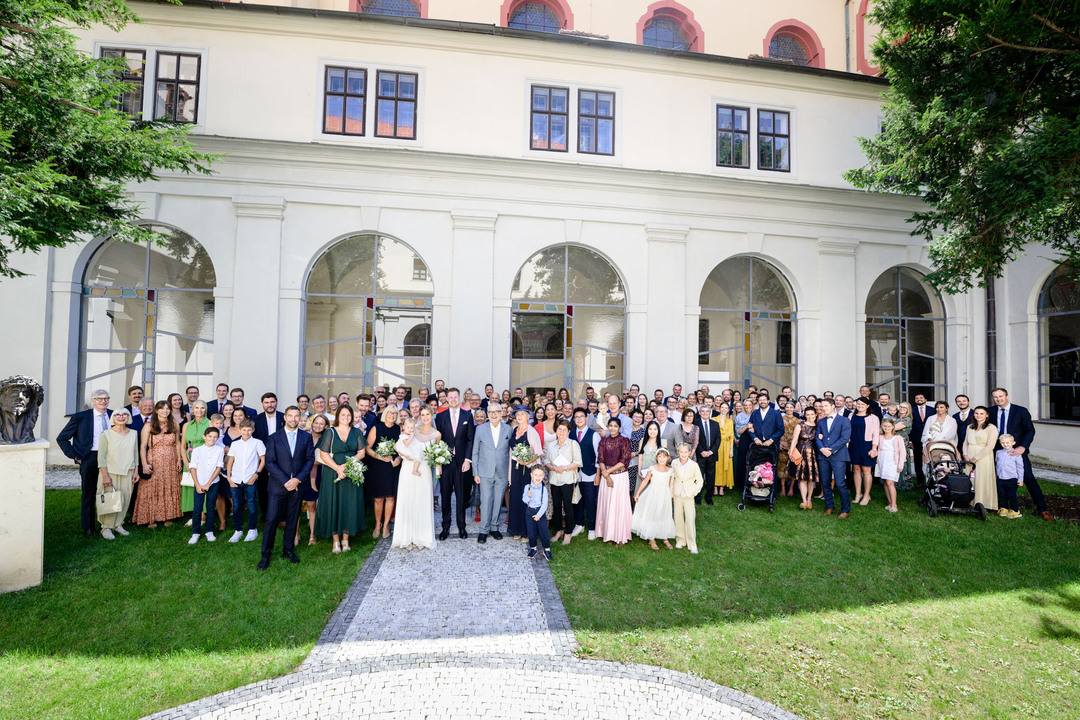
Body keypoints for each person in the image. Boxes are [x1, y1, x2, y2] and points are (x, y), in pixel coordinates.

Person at [259, 406, 315, 569]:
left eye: (296, 416)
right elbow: (270, 462)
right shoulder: (274, 437)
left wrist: (297, 479)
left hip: (297, 486)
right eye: (290, 416)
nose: (293, 419)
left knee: (292, 519)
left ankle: (288, 549)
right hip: (278, 486)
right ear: (285, 417)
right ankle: (265, 555)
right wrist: (286, 481)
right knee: (271, 520)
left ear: (300, 418)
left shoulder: (306, 437)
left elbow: (309, 460)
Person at [989, 387, 1052, 521]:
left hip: (1016, 451)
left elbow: (1030, 430)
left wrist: (1022, 447)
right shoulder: (991, 412)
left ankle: (1043, 509)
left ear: (1007, 396)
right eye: (995, 397)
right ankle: (999, 506)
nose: (998, 399)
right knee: (996, 478)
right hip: (997, 451)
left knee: (1028, 477)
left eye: (1001, 396)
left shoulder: (1020, 411)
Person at [57, 388, 112, 537]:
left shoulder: (114, 415)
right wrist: (75, 456)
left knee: (110, 490)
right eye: (99, 399)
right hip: (89, 457)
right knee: (89, 493)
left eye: (106, 398)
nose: (103, 401)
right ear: (93, 401)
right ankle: (88, 527)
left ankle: (109, 523)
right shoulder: (80, 417)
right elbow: (62, 438)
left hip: (111, 458)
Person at [315, 405, 367, 553]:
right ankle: (335, 540)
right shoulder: (329, 432)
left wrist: (347, 465)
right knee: (334, 502)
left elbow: (361, 453)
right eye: (343, 415)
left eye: (348, 415)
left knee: (349, 503)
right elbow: (324, 455)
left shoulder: (356, 432)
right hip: (333, 472)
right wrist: (338, 468)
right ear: (338, 416)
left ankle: (346, 538)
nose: (346, 417)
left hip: (352, 473)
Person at [134, 400, 184, 528]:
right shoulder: (148, 425)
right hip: (154, 460)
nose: (165, 411)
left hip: (171, 460)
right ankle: (151, 517)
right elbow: (143, 446)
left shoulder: (174, 425)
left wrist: (179, 460)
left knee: (169, 487)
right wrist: (144, 464)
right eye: (162, 408)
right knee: (151, 488)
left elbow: (178, 443)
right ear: (156, 410)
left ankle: (168, 515)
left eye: (167, 408)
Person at [433, 388, 474, 540]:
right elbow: (437, 441)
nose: (453, 399)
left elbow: (470, 440)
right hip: (445, 462)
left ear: (459, 398)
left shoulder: (467, 416)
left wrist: (468, 460)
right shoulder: (440, 417)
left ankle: (462, 527)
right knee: (445, 495)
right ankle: (445, 527)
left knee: (461, 496)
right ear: (446, 399)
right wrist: (438, 462)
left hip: (462, 462)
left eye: (455, 397)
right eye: (450, 397)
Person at [389, 417, 436, 550]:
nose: (410, 429)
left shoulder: (426, 433)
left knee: (420, 501)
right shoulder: (406, 435)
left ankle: (421, 536)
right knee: (407, 501)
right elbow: (399, 446)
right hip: (407, 470)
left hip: (423, 469)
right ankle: (406, 536)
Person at [472, 402, 512, 544]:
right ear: (487, 414)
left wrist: (509, 475)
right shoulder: (480, 429)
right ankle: (483, 530)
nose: (494, 414)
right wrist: (475, 472)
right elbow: (475, 451)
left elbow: (510, 451)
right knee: (486, 501)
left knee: (497, 501)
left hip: (501, 471)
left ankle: (494, 527)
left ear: (501, 413)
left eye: (496, 412)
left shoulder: (508, 429)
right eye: (491, 412)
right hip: (484, 471)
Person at [95, 409, 138, 539]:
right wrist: (105, 475)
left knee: (124, 499)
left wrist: (136, 471)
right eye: (117, 415)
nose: (121, 417)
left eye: (125, 414)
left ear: (128, 417)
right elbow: (101, 457)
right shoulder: (106, 434)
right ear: (113, 418)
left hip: (128, 471)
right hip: (110, 472)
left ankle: (118, 524)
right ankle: (106, 527)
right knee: (110, 500)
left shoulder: (133, 433)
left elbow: (135, 454)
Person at [226, 419, 265, 543]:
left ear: (253, 430)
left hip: (250, 478)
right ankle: (238, 530)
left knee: (252, 504)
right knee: (236, 506)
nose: (246, 432)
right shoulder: (235, 444)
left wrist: (256, 475)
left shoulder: (258, 443)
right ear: (240, 430)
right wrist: (229, 477)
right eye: (244, 430)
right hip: (236, 478)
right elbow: (230, 461)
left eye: (249, 430)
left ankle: (252, 529)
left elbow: (263, 460)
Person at [366, 406, 402, 540]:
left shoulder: (399, 429)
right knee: (379, 498)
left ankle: (386, 525)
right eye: (390, 413)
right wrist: (379, 456)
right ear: (385, 414)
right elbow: (367, 448)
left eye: (395, 413)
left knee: (390, 497)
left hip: (393, 467)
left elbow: (403, 448)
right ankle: (377, 524)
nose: (392, 415)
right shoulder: (376, 428)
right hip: (379, 466)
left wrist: (399, 458)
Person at [508, 407, 543, 541]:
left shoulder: (532, 431)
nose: (520, 416)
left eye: (522, 414)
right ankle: (516, 529)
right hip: (515, 469)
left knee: (527, 499)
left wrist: (526, 461)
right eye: (517, 414)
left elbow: (538, 452)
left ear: (528, 417)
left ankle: (527, 532)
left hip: (527, 470)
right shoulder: (514, 430)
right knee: (516, 498)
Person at [595, 417, 632, 545]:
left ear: (620, 428)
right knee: (607, 504)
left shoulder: (625, 441)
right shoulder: (603, 441)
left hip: (620, 476)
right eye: (610, 425)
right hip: (607, 477)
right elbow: (600, 459)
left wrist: (607, 473)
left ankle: (620, 536)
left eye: (615, 426)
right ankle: (608, 534)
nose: (612, 428)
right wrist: (606, 475)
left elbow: (624, 461)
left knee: (618, 505)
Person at [631, 447, 676, 550]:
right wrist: (637, 493)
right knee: (653, 513)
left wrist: (671, 495)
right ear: (656, 457)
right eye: (659, 457)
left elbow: (671, 484)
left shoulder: (670, 471)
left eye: (664, 457)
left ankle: (665, 538)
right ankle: (651, 538)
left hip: (664, 494)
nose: (661, 459)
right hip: (653, 494)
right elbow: (645, 481)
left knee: (664, 514)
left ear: (668, 458)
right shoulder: (652, 468)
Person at [545, 420, 581, 545]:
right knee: (556, 506)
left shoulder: (573, 444)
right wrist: (553, 467)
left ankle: (568, 533)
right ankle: (559, 530)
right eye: (559, 429)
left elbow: (578, 462)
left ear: (568, 432)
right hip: (554, 479)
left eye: (564, 430)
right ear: (556, 430)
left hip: (567, 479)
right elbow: (546, 461)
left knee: (567, 507)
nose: (561, 432)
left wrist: (564, 468)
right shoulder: (551, 445)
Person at [188, 426, 225, 544]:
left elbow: (219, 467)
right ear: (204, 437)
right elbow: (193, 468)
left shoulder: (219, 450)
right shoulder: (197, 450)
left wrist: (209, 483)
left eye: (215, 437)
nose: (212, 439)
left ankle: (209, 531)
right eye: (210, 436)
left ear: (218, 438)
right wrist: (197, 484)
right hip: (199, 482)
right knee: (197, 509)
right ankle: (196, 533)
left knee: (210, 507)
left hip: (213, 483)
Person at [816, 398, 852, 518]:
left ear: (832, 406)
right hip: (823, 456)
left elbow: (844, 438)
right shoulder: (821, 421)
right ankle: (829, 506)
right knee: (825, 482)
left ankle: (845, 509)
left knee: (840, 483)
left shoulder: (844, 420)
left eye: (826, 406)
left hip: (838, 456)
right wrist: (822, 449)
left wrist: (830, 450)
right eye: (822, 406)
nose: (823, 408)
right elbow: (817, 437)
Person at [571, 407, 601, 538]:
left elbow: (599, 456)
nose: (579, 419)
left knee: (590, 501)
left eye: (581, 417)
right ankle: (579, 525)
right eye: (576, 417)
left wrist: (598, 474)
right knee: (577, 500)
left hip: (590, 473)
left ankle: (592, 528)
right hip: (575, 474)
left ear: (586, 418)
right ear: (574, 419)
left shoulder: (593, 434)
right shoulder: (571, 434)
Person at [962, 406, 999, 513]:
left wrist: (975, 458)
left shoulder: (991, 428)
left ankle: (983, 503)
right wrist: (965, 455)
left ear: (986, 415)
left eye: (981, 413)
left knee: (982, 479)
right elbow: (965, 443)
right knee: (970, 479)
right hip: (969, 455)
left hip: (983, 456)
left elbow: (990, 446)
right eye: (976, 413)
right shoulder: (970, 427)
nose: (978, 415)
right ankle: (969, 501)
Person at [254, 392, 284, 518]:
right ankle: (266, 516)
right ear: (262, 404)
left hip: (282, 458)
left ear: (276, 402)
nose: (269, 405)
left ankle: (281, 516)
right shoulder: (256, 420)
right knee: (263, 488)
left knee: (282, 486)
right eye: (266, 402)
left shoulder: (284, 417)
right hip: (263, 459)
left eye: (272, 402)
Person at [180, 399, 210, 527]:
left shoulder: (209, 423)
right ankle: (194, 514)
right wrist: (185, 461)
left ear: (206, 410)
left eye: (202, 408)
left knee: (202, 486)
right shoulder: (186, 425)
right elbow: (182, 445)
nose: (199, 410)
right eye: (196, 408)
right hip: (189, 459)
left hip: (204, 460)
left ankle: (203, 516)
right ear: (192, 410)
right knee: (191, 486)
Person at [671, 443, 703, 554]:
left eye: (685, 452)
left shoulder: (694, 465)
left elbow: (699, 480)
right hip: (677, 494)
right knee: (678, 517)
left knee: (690, 518)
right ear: (678, 452)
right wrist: (671, 492)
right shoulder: (674, 463)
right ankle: (680, 539)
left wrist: (694, 492)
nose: (683, 454)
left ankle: (692, 543)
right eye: (681, 452)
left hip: (689, 495)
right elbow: (672, 478)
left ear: (689, 453)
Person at [303, 414, 329, 545]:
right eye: (316, 423)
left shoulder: (326, 439)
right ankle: (295, 535)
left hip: (320, 473)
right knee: (297, 505)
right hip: (302, 473)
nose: (317, 425)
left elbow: (327, 458)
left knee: (312, 505)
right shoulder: (304, 437)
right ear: (312, 423)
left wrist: (313, 461)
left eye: (321, 423)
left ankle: (312, 536)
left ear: (326, 426)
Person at [850, 397, 880, 506]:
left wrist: (874, 448)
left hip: (867, 445)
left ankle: (867, 495)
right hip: (854, 445)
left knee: (866, 471)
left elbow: (876, 434)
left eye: (862, 404)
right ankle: (858, 494)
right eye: (858, 404)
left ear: (867, 406)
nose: (860, 406)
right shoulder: (851, 416)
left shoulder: (873, 418)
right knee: (856, 469)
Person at [789, 407, 820, 510]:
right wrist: (791, 453)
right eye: (808, 414)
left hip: (814, 454)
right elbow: (794, 440)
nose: (810, 416)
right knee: (802, 477)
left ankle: (809, 498)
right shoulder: (800, 426)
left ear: (815, 414)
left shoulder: (819, 426)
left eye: (812, 414)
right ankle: (804, 500)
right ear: (804, 415)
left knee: (811, 478)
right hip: (801, 452)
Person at [875, 418, 905, 512]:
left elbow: (902, 452)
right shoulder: (880, 437)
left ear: (893, 427)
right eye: (884, 426)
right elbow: (877, 449)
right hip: (882, 460)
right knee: (885, 482)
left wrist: (900, 465)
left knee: (890, 482)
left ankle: (894, 504)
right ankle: (889, 502)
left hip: (892, 461)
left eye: (889, 426)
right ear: (881, 426)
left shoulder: (898, 438)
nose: (886, 428)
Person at [523, 466, 552, 560]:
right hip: (530, 511)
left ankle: (547, 550)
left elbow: (545, 504)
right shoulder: (527, 487)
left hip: (540, 512)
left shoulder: (544, 489)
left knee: (544, 533)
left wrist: (539, 515)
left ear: (543, 476)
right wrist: (528, 496)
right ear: (531, 475)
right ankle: (533, 549)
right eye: (535, 475)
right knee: (531, 532)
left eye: (540, 475)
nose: (538, 477)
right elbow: (524, 500)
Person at [995, 434, 1026, 519]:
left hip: (1011, 478)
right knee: (1001, 494)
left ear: (1013, 443)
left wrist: (1020, 479)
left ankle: (1015, 510)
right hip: (1001, 478)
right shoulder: (998, 453)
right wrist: (996, 475)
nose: (1005, 444)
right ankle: (1004, 508)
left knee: (1011, 494)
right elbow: (997, 464)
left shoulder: (1016, 454)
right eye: (1003, 443)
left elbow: (1020, 467)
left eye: (1007, 442)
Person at [713, 402, 735, 496]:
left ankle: (721, 486)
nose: (724, 409)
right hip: (716, 445)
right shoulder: (713, 419)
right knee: (716, 465)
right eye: (722, 407)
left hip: (726, 446)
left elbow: (731, 437)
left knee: (724, 465)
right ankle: (714, 486)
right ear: (719, 408)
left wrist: (731, 450)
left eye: (726, 408)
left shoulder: (730, 421)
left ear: (728, 409)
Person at [777, 402, 800, 495]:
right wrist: (778, 443)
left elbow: (799, 436)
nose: (789, 409)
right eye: (787, 407)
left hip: (793, 447)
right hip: (782, 447)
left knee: (793, 467)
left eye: (791, 407)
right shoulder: (780, 419)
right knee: (781, 467)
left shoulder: (798, 421)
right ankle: (782, 488)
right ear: (785, 408)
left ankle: (791, 488)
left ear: (794, 408)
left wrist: (793, 447)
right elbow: (776, 432)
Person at [909, 393, 930, 486]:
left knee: (930, 459)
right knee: (917, 460)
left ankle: (930, 480)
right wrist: (910, 440)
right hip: (916, 439)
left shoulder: (932, 410)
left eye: (921, 398)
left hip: (929, 439)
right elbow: (908, 426)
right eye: (917, 398)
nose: (919, 399)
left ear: (925, 399)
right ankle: (920, 481)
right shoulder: (911, 410)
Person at [734, 399, 754, 490]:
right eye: (746, 405)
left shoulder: (756, 415)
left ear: (752, 406)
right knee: (743, 461)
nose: (748, 407)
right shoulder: (739, 416)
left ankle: (752, 483)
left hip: (754, 440)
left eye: (749, 405)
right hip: (744, 440)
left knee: (753, 461)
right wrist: (747, 426)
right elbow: (739, 432)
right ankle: (742, 484)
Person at [627, 409, 646, 499]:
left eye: (640, 417)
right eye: (635, 416)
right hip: (623, 463)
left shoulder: (644, 432)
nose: (638, 419)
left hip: (636, 464)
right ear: (631, 418)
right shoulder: (625, 430)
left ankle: (633, 510)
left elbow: (644, 449)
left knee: (634, 489)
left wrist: (634, 454)